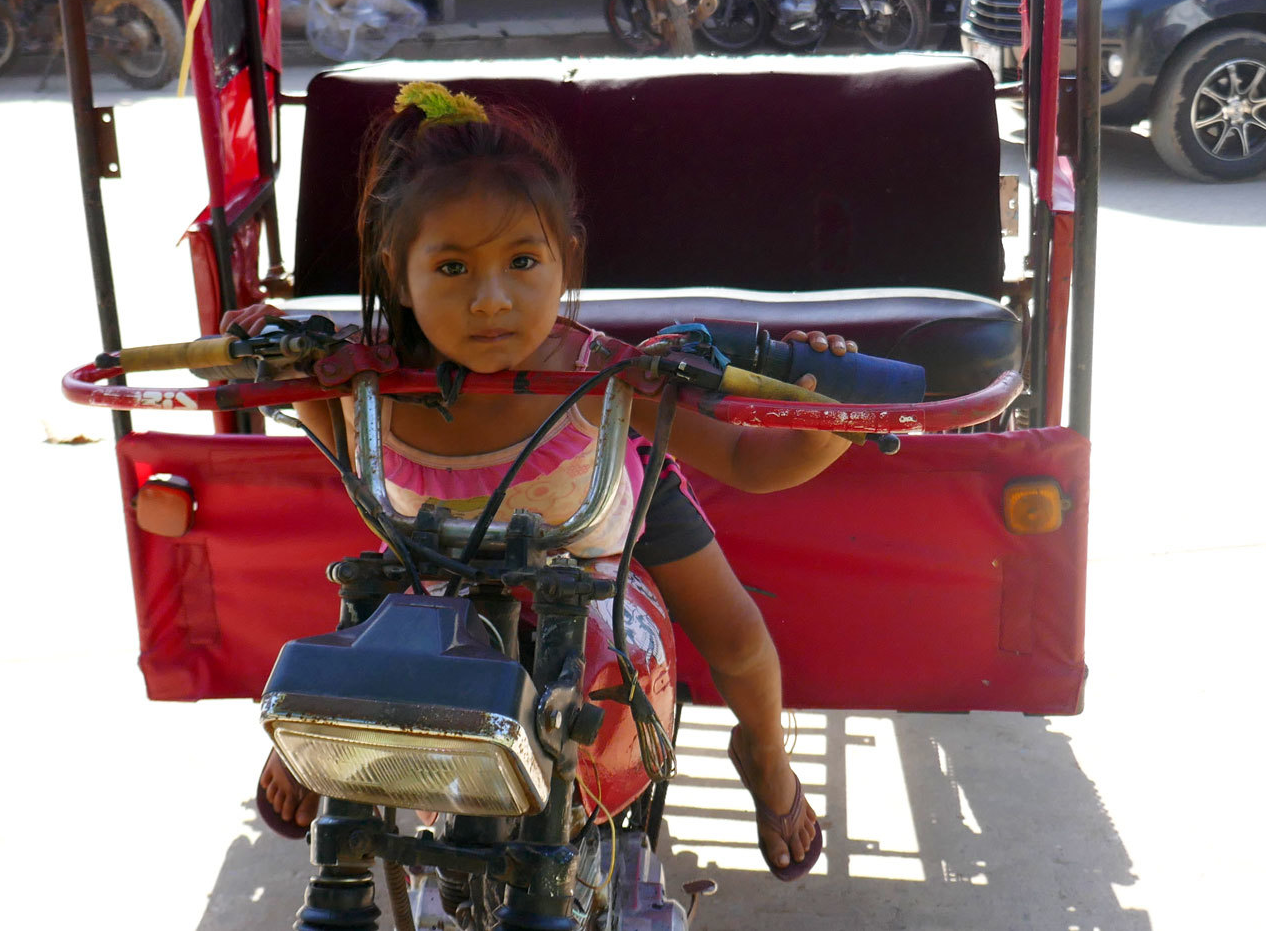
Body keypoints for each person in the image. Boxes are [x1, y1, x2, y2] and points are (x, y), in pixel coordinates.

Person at [231, 82, 841, 878]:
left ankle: (765, 759)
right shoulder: (364, 386)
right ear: (396, 269)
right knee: (359, 610)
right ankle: (324, 749)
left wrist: (829, 409)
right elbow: (299, 400)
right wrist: (263, 344)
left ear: (566, 257)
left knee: (739, 641)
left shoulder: (608, 379)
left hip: (605, 524)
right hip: (437, 562)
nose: (492, 300)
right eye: (451, 267)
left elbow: (752, 462)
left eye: (523, 261)